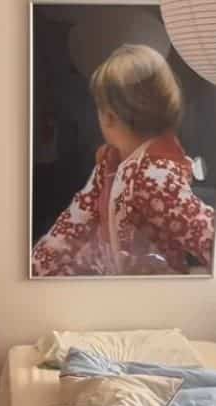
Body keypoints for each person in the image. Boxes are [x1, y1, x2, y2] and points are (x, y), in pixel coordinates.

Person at [31, 44, 215, 277]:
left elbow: (205, 233)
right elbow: (71, 227)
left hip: (156, 299)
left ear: (108, 117)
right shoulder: (108, 167)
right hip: (110, 285)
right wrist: (35, 269)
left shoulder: (155, 176)